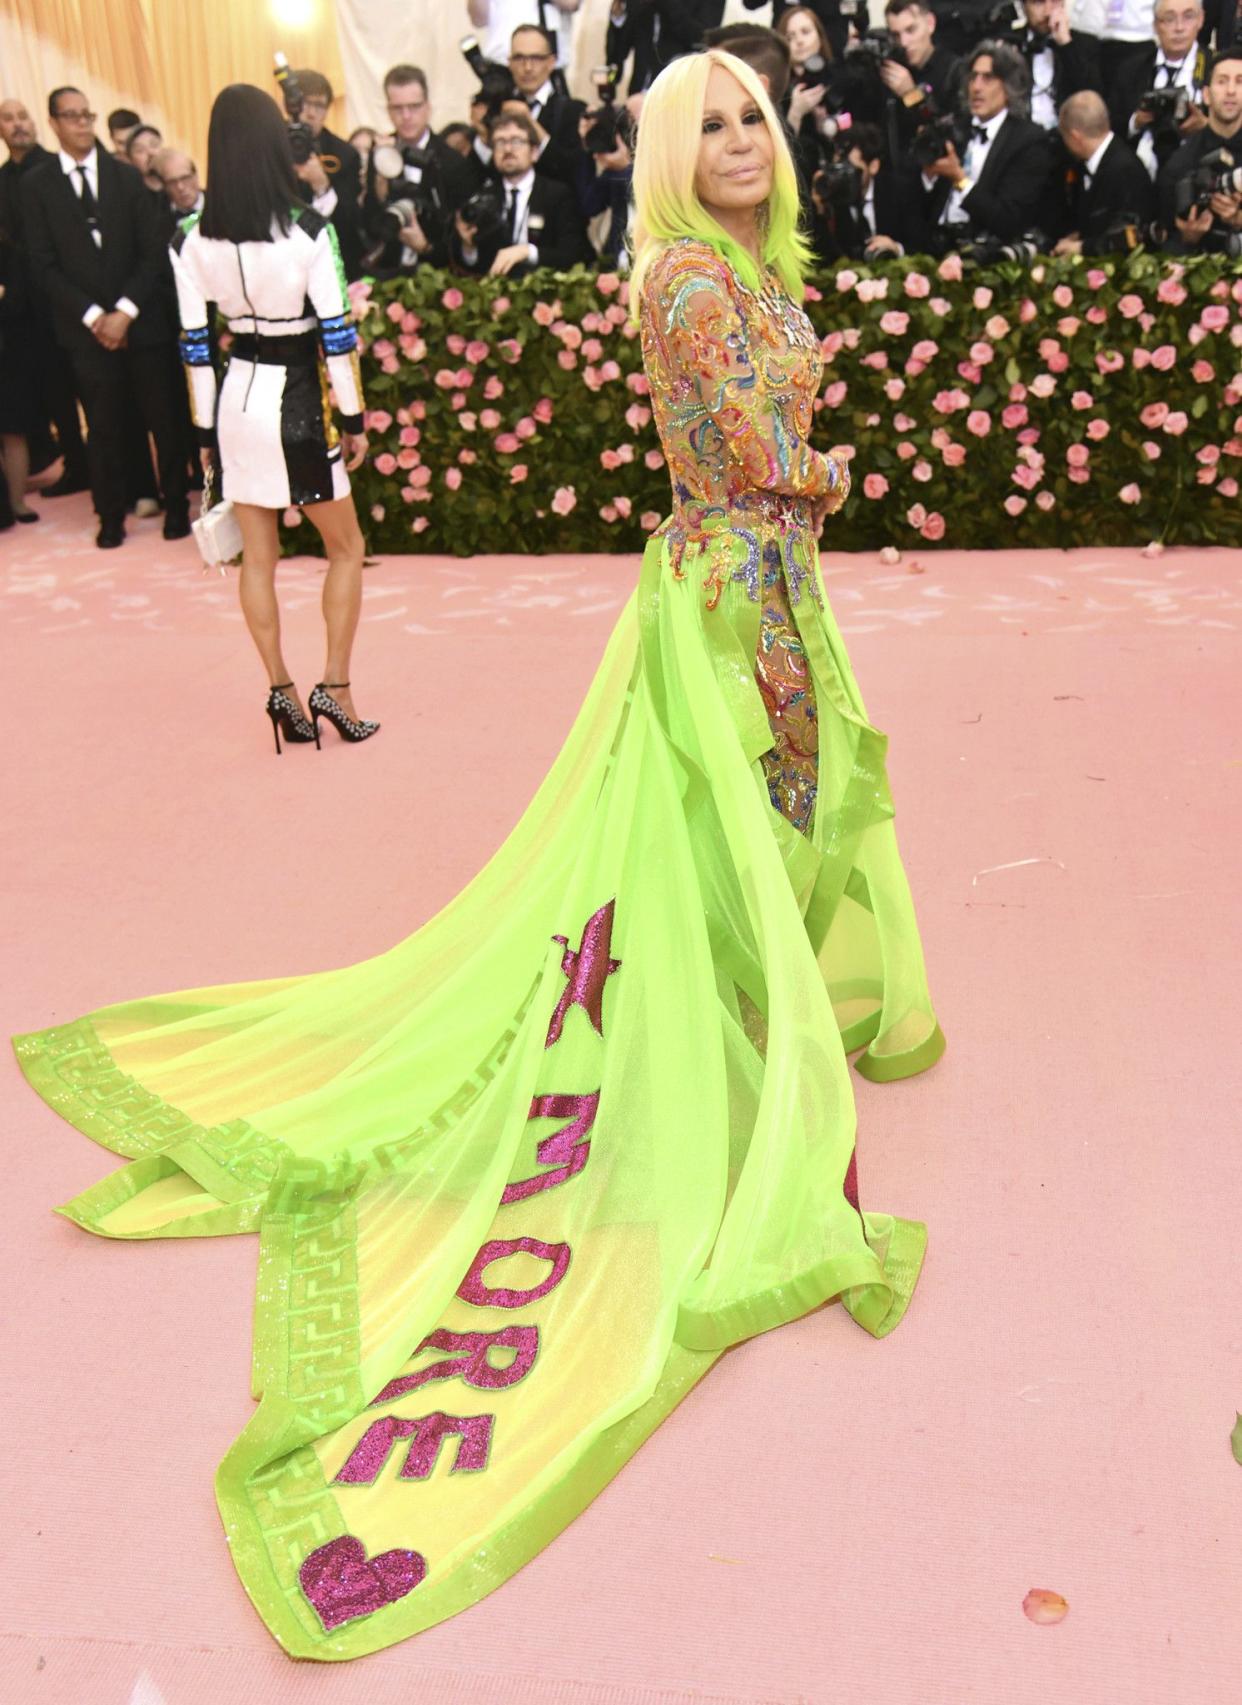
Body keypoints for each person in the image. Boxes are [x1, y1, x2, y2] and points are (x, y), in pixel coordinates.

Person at [13, 45, 943, 1662]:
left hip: (751, 591)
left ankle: (738, 1059)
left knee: (747, 839)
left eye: (749, 120)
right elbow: (746, 466)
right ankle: (744, 1093)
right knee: (736, 834)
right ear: (659, 153)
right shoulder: (689, 289)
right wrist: (830, 480)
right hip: (735, 601)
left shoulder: (735, 266)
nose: (734, 142)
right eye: (702, 125)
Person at [167, 85, 373, 749]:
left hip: (235, 402)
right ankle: (334, 688)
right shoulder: (311, 231)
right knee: (346, 547)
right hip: (298, 408)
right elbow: (337, 336)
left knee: (260, 557)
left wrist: (203, 437)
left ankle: (281, 689)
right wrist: (355, 418)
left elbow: (196, 350)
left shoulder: (189, 241)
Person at [21, 87, 189, 547]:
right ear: (53, 123)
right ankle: (110, 515)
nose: (81, 123)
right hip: (86, 331)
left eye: (86, 115)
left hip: (142, 323)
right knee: (104, 428)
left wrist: (125, 312)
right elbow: (42, 264)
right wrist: (96, 316)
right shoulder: (37, 186)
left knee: (164, 420)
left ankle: (177, 507)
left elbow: (152, 250)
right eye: (71, 116)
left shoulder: (125, 177)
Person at [0, 95, 89, 497]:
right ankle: (74, 463)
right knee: (54, 394)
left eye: (23, 116)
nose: (18, 124)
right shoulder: (2, 181)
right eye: (8, 119)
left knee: (88, 388)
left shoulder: (54, 171)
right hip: (24, 312)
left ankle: (103, 467)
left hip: (67, 301)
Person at [902, 40, 1056, 251]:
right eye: (973, 77)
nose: (976, 87)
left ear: (1008, 85)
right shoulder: (955, 128)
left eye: (988, 78)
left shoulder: (1028, 140)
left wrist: (960, 180)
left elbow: (1009, 220)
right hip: (935, 248)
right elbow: (919, 206)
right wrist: (929, 175)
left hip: (985, 253)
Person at [362, 64, 474, 275]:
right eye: (398, 108)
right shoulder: (380, 154)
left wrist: (425, 246)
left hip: (439, 274)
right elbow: (369, 222)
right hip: (389, 271)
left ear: (428, 107)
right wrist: (380, 187)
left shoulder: (452, 161)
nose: (406, 116)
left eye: (414, 106)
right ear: (388, 110)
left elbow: (462, 238)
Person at [454, 108, 592, 275]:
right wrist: (468, 246)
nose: (508, 149)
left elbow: (573, 255)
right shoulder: (484, 196)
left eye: (517, 141)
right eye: (500, 142)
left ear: (534, 152)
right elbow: (472, 264)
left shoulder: (557, 195)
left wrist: (528, 252)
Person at [1110, 0, 1209, 175]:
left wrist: (1205, 128)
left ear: (1201, 20)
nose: (1179, 27)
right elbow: (1111, 127)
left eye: (1188, 17)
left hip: (1197, 171)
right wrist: (1136, 122)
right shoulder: (1132, 69)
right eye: (1169, 19)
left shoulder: (1215, 68)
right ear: (1155, 25)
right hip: (1140, 173)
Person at [1157, 46, 1242, 248]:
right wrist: (1188, 238)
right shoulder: (1180, 164)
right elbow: (1162, 240)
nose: (1230, 90)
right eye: (1222, 81)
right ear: (1206, 95)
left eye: (1240, 81)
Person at [1054, 86, 1156, 247]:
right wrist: (1079, 236)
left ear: (1075, 136)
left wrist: (1082, 248)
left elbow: (1130, 237)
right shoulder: (1087, 166)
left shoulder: (1126, 171)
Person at [288, 68, 365, 280]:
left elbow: (349, 223)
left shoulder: (345, 155)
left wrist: (323, 186)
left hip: (330, 263)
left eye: (319, 106)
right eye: (304, 103)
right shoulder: (271, 147)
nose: (310, 113)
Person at [606, 0, 727, 93]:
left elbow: (702, 37)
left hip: (682, 91)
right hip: (638, 96)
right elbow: (618, 51)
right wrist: (619, 15)